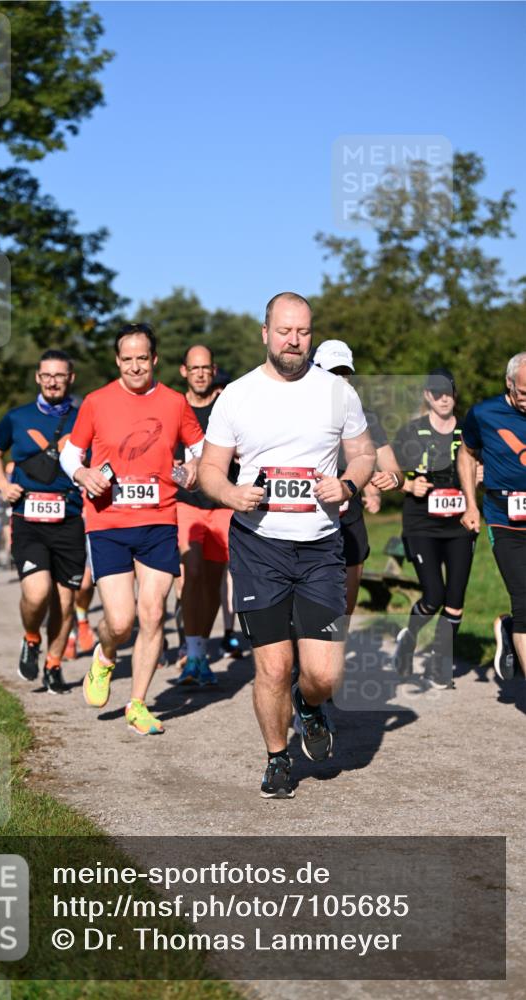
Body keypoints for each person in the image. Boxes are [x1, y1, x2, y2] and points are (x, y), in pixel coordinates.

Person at [198, 292, 375, 799]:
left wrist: (348, 483)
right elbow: (210, 469)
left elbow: (363, 453)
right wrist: (231, 493)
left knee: (324, 674)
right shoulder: (238, 395)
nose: (293, 341)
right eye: (284, 331)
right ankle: (278, 758)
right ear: (265, 333)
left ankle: (309, 704)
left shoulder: (337, 393)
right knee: (273, 666)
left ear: (311, 335)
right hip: (259, 547)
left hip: (320, 547)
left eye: (302, 332)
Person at [60, 322, 204, 736]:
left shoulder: (175, 403)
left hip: (159, 519)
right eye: (128, 359)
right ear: (117, 360)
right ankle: (105, 655)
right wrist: (82, 474)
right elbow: (70, 455)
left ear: (154, 359)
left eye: (143, 358)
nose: (136, 366)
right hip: (108, 522)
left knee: (153, 612)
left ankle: (137, 703)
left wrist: (194, 467)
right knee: (121, 622)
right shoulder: (96, 402)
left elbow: (201, 449)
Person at [0, 349, 86, 694]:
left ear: (70, 378)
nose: (53, 382)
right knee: (38, 591)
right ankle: (31, 637)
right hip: (27, 518)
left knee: (66, 602)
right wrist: (3, 485)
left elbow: (100, 458)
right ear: (37, 378)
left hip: (69, 518)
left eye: (59, 375)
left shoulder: (84, 419)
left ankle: (53, 665)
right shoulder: (17, 417)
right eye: (47, 375)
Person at [391, 368, 478, 688]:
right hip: (422, 525)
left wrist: (481, 474)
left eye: (448, 393)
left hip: (460, 523)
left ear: (455, 394)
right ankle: (410, 637)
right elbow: (387, 472)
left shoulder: (469, 431)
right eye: (437, 393)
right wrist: (407, 485)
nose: (444, 399)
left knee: (455, 599)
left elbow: (485, 463)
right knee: (434, 595)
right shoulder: (411, 432)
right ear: (427, 396)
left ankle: (439, 665)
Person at [314, 339, 404, 614]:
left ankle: (338, 640)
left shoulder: (366, 418)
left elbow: (393, 469)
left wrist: (393, 480)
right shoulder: (298, 414)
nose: (340, 379)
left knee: (344, 610)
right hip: (308, 518)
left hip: (349, 518)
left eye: (344, 373)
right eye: (332, 373)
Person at [458, 352, 526, 680]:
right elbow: (467, 454)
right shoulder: (484, 414)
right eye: (523, 393)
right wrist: (470, 504)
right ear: (509, 384)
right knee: (524, 598)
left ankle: (510, 629)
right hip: (504, 519)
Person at [175, 344, 233, 686]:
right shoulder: (173, 406)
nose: (199, 374)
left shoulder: (227, 406)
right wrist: (179, 470)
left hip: (221, 503)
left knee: (212, 582)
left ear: (213, 370)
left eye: (205, 368)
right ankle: (192, 648)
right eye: (193, 368)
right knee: (192, 571)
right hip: (185, 503)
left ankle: (199, 653)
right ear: (184, 371)